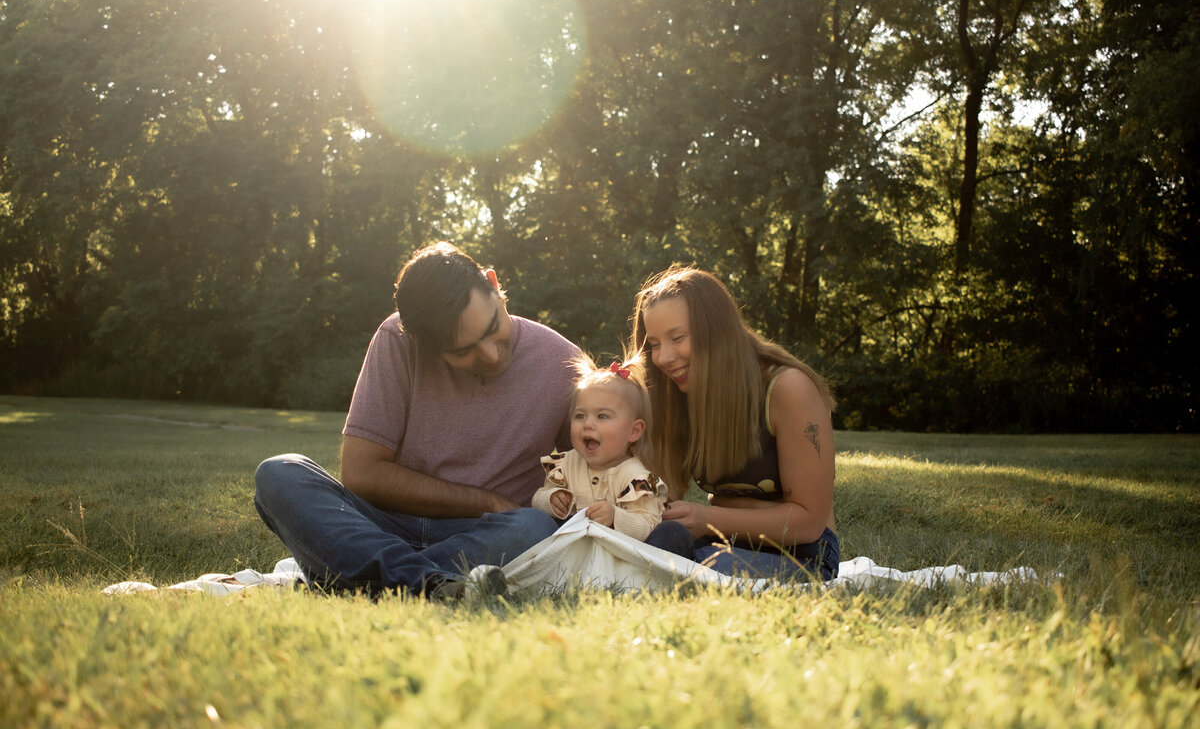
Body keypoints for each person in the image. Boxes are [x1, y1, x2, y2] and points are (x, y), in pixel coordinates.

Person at [253, 242, 580, 599]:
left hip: (488, 533)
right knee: (279, 473)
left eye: (491, 328)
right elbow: (363, 474)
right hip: (383, 524)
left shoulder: (564, 362)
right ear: (421, 343)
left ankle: (363, 577)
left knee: (532, 526)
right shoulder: (396, 339)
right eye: (462, 351)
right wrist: (487, 501)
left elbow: (586, 477)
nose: (490, 354)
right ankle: (431, 583)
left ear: (493, 283)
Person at [629, 266, 840, 581]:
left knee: (694, 576)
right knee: (637, 558)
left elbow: (809, 521)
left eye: (677, 338)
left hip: (803, 553)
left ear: (717, 330)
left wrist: (708, 518)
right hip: (718, 542)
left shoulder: (787, 389)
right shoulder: (675, 395)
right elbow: (662, 493)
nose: (664, 357)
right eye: (655, 344)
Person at [531, 355, 667, 541]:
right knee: (534, 523)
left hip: (617, 556)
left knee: (669, 534)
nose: (588, 424)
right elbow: (538, 497)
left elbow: (647, 523)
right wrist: (550, 499)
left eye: (602, 416)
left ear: (634, 431)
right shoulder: (567, 464)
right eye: (580, 416)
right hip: (571, 550)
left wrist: (615, 517)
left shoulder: (636, 477)